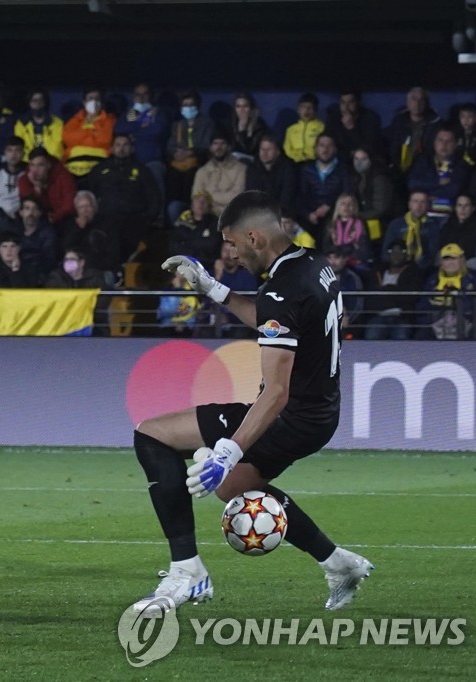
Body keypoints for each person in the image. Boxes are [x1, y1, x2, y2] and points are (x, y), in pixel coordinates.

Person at [132, 190, 373, 618]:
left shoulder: (283, 288)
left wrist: (228, 450)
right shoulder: (314, 264)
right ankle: (338, 563)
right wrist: (213, 288)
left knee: (153, 435)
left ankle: (187, 570)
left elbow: (275, 392)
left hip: (292, 413)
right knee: (233, 486)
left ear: (255, 237)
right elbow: (276, 317)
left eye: (234, 245)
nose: (233, 255)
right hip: (319, 411)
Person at [88, 133, 162, 262]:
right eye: (117, 145)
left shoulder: (142, 170)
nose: (121, 149)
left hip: (134, 218)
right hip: (106, 218)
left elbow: (153, 196)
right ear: (111, 148)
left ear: (132, 148)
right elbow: (88, 193)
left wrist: (148, 217)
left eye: (125, 145)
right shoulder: (100, 170)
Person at [361, 240, 423, 341]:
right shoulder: (377, 272)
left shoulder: (413, 272)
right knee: (372, 337)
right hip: (378, 317)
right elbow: (370, 298)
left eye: (400, 251)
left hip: (402, 318)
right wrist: (395, 294)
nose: (396, 255)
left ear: (406, 254)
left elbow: (411, 298)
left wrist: (386, 291)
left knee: (401, 338)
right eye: (392, 251)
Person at [113, 82, 169, 192]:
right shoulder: (131, 112)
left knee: (155, 180)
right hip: (130, 161)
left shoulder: (158, 112)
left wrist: (133, 131)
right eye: (138, 95)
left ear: (151, 96)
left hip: (152, 161)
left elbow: (157, 131)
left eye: (145, 94)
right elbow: (120, 130)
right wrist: (143, 126)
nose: (141, 98)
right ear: (134, 97)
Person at [417, 242, 476, 340]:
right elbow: (422, 305)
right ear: (441, 262)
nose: (450, 262)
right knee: (420, 335)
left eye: (454, 258)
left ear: (462, 260)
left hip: (467, 325)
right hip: (436, 324)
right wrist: (432, 322)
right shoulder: (432, 280)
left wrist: (466, 320)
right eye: (446, 259)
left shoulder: (474, 279)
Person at [297, 133, 352, 242]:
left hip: (335, 214)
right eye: (321, 145)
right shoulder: (306, 170)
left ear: (335, 149)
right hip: (311, 216)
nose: (325, 149)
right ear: (316, 148)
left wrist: (329, 206)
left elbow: (347, 193)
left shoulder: (344, 170)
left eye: (329, 146)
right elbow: (300, 196)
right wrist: (308, 214)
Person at [407, 125, 469, 219]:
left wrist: (426, 190)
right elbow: (412, 183)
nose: (444, 145)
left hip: (449, 216)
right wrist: (438, 182)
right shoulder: (423, 160)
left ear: (455, 144)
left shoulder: (461, 164)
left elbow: (454, 189)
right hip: (422, 213)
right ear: (434, 143)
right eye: (440, 140)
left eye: (449, 141)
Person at [165, 90, 213, 207]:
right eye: (185, 105)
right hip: (179, 161)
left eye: (191, 105)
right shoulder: (177, 125)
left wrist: (190, 152)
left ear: (197, 106)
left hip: (199, 160)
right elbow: (170, 145)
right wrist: (175, 153)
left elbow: (206, 144)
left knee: (190, 177)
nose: (188, 108)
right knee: (171, 176)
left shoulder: (207, 123)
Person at [59, 190, 119, 276]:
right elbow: (65, 247)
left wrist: (93, 268)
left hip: (100, 269)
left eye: (88, 206)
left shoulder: (107, 224)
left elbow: (113, 254)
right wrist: (78, 229)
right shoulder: (71, 225)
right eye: (81, 207)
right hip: (76, 269)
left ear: (94, 207)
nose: (85, 210)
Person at [61, 88, 116, 178]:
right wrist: (92, 133)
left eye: (97, 99)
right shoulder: (75, 120)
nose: (93, 102)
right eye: (90, 99)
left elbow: (104, 140)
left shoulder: (109, 120)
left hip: (100, 168)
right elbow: (68, 139)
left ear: (101, 102)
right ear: (84, 102)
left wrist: (81, 136)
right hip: (72, 168)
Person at [387, 86, 441, 177]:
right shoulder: (399, 122)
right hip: (400, 168)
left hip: (426, 169)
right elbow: (393, 147)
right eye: (414, 99)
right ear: (407, 103)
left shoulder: (436, 124)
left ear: (427, 103)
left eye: (421, 100)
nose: (417, 103)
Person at [191, 130, 247, 216]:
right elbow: (196, 198)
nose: (218, 147)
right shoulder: (202, 171)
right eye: (215, 143)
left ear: (229, 147)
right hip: (207, 216)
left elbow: (237, 198)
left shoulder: (241, 169)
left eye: (222, 143)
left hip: (230, 216)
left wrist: (210, 195)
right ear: (210, 147)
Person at [382, 190, 442, 269]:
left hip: (424, 269)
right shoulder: (396, 224)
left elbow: (433, 253)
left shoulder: (433, 226)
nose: (419, 205)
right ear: (409, 204)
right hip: (398, 268)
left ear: (428, 205)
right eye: (415, 201)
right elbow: (386, 253)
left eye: (423, 202)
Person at [18, 148, 76, 225]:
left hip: (62, 219)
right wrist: (37, 188)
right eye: (32, 165)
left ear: (48, 165)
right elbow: (29, 208)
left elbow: (69, 205)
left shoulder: (63, 177)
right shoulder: (24, 180)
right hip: (37, 221)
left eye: (40, 165)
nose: (35, 170)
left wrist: (55, 217)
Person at [324, 89, 384, 162]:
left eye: (350, 102)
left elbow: (370, 148)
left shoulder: (371, 118)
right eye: (343, 102)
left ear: (358, 102)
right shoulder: (333, 117)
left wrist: (351, 129)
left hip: (363, 161)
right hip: (339, 161)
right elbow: (329, 141)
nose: (346, 107)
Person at [245, 134, 297, 214]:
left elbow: (287, 197)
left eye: (269, 150)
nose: (264, 154)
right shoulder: (253, 168)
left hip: (282, 214)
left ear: (278, 152)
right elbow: (251, 194)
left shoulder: (288, 168)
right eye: (262, 150)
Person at [169, 191, 219, 272]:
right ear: (192, 204)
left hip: (206, 267)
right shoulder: (184, 220)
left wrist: (187, 243)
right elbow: (174, 246)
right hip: (184, 265)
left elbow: (211, 246)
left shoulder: (214, 222)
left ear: (209, 206)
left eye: (204, 201)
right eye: (197, 200)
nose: (201, 203)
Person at [13, 89, 64, 159]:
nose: (38, 103)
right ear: (29, 103)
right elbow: (20, 147)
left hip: (50, 162)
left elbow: (57, 149)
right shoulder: (21, 124)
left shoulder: (57, 123)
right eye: (34, 101)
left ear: (45, 102)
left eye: (41, 100)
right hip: (28, 164)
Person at [17, 194, 58, 278]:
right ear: (21, 212)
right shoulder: (15, 230)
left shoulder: (48, 232)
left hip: (41, 276)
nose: (31, 213)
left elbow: (49, 259)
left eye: (34, 209)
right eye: (27, 208)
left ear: (39, 213)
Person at [283, 92, 324, 163]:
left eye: (310, 107)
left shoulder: (321, 127)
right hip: (294, 163)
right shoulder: (291, 129)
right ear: (298, 110)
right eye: (303, 107)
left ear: (315, 110)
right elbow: (287, 150)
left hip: (315, 162)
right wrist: (297, 157)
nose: (306, 110)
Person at [440, 194, 476, 263]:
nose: (463, 209)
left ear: (473, 208)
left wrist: (460, 266)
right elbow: (438, 251)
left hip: (469, 269)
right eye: (459, 205)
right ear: (455, 208)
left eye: (466, 205)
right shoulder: (446, 225)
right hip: (445, 267)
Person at [0, 136, 26, 219]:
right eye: (10, 150)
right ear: (5, 153)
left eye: (17, 150)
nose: (13, 155)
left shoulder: (29, 171)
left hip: (22, 216)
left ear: (23, 153)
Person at [229, 92, 267, 161]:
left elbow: (249, 150)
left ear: (251, 109)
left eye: (245, 106)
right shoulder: (231, 124)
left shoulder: (259, 126)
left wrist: (242, 131)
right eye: (238, 106)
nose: (241, 110)